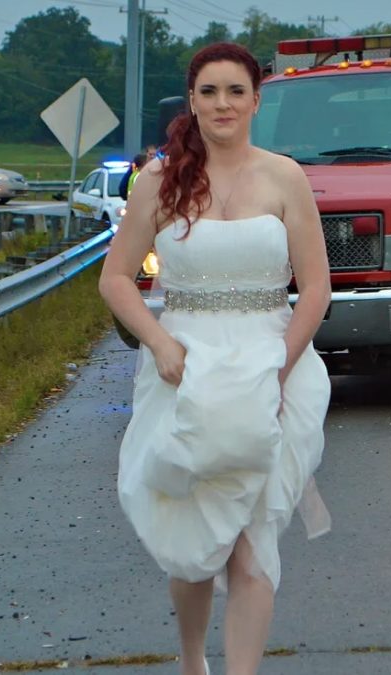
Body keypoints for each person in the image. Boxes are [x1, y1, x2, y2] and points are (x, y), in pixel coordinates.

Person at [98, 42, 332, 675]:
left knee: (253, 544)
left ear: (257, 100)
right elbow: (116, 278)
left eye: (235, 91)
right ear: (192, 102)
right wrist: (161, 342)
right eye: (209, 92)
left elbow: (316, 287)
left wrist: (280, 366)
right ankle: (193, 658)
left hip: (273, 363)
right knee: (193, 546)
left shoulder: (285, 176)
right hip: (186, 370)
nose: (222, 104)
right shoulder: (159, 179)